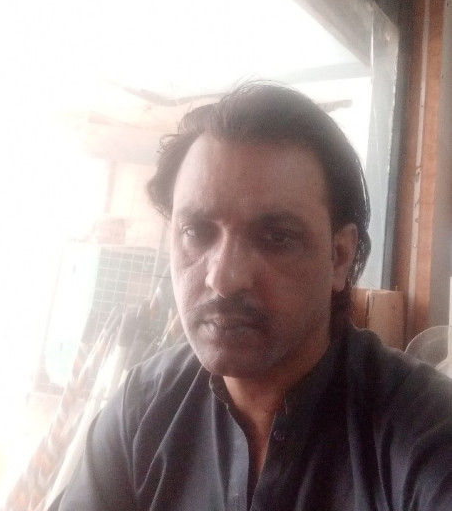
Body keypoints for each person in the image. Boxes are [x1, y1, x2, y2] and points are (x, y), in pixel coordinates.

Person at [53, 83, 452, 510]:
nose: (223, 279)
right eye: (196, 232)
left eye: (276, 237)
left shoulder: (425, 429)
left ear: (339, 257)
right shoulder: (143, 412)